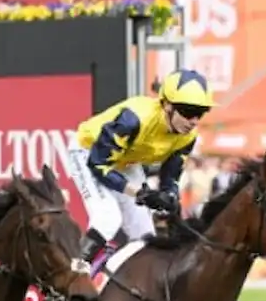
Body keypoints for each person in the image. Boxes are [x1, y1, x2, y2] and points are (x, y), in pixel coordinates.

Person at [67, 68, 215, 268]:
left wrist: (169, 197)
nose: (194, 121)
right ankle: (72, 274)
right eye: (188, 112)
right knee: (107, 217)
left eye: (200, 114)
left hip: (126, 161)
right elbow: (98, 164)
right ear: (167, 106)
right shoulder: (133, 119)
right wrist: (140, 193)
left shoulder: (188, 137)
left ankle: (113, 279)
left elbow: (170, 177)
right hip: (88, 153)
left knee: (145, 235)